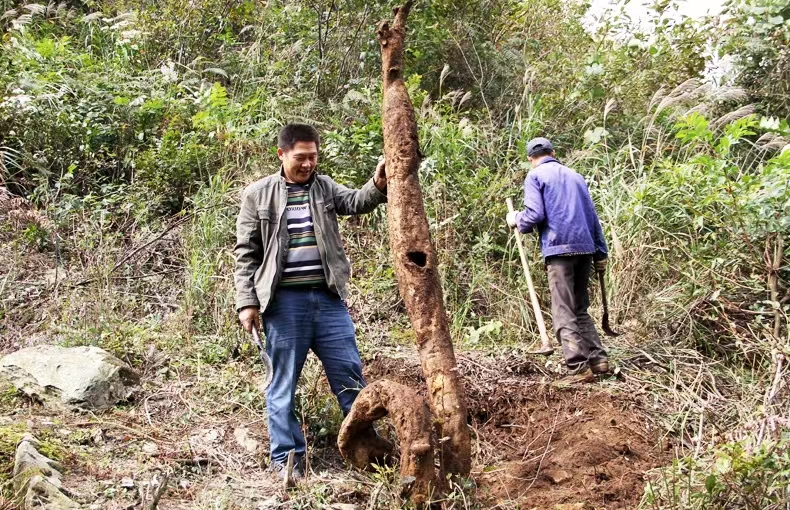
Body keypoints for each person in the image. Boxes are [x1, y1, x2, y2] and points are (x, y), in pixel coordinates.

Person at [234, 123, 387, 480]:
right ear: (282, 155)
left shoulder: (323, 186)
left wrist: (378, 184)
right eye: (301, 157)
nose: (307, 164)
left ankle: (365, 447)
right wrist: (247, 302)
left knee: (349, 375)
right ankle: (288, 460)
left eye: (313, 157)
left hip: (329, 301)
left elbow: (354, 202)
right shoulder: (258, 195)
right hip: (284, 305)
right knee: (283, 383)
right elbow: (246, 253)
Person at [506, 137, 610, 376]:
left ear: (531, 159)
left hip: (559, 249)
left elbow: (535, 215)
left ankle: (577, 366)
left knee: (563, 309)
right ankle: (599, 361)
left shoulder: (535, 176)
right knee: (580, 308)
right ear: (553, 152)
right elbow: (593, 217)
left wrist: (517, 219)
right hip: (586, 249)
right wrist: (601, 252)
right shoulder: (576, 176)